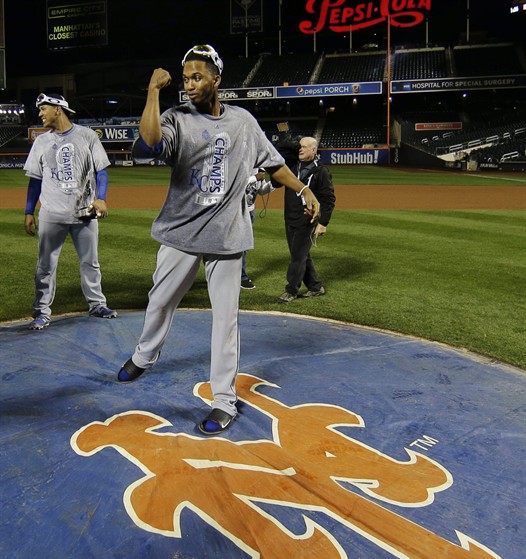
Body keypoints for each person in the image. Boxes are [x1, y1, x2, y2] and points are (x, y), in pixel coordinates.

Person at [117, 44, 320, 436]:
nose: (190, 84)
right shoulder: (175, 118)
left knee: (225, 322)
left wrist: (301, 190)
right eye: (186, 77)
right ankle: (145, 355)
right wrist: (153, 92)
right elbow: (148, 143)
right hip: (180, 231)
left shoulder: (243, 121)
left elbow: (273, 164)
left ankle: (224, 400)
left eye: (197, 77)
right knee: (160, 300)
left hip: (227, 236)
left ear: (216, 80)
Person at [24, 92, 117, 330]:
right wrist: (28, 211)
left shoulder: (86, 136)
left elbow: (101, 170)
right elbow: (34, 180)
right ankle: (42, 312)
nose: (40, 113)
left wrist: (101, 198)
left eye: (43, 108)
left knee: (90, 263)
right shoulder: (41, 142)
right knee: (45, 266)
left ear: (58, 109)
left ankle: (97, 304)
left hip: (84, 213)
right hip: (51, 214)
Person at [278, 136, 335, 304]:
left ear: (314, 150)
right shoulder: (292, 165)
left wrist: (323, 223)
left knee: (297, 256)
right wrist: (292, 142)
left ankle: (291, 290)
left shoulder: (321, 171)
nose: (300, 150)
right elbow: (279, 149)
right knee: (301, 255)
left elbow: (328, 199)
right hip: (290, 217)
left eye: (304, 147)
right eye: (299, 147)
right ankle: (316, 286)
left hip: (307, 220)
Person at [241, 168, 274, 289]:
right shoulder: (242, 163)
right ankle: (241, 278)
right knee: (240, 246)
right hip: (237, 212)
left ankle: (237, 276)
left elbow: (261, 191)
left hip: (250, 212)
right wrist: (255, 177)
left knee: (244, 246)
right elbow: (236, 184)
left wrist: (273, 183)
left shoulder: (260, 169)